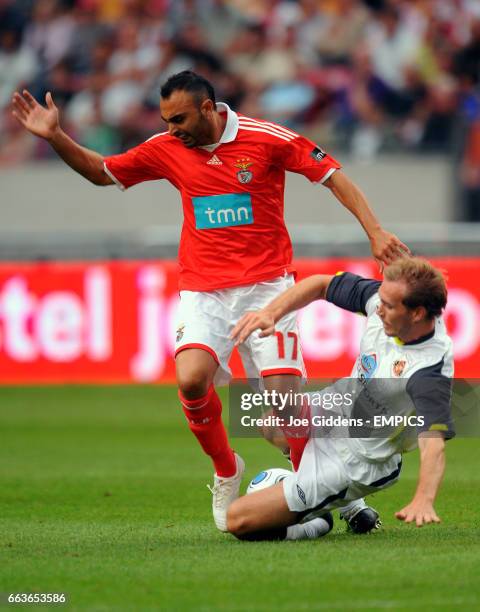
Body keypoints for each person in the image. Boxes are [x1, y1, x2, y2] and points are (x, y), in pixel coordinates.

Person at [11, 70, 409, 532]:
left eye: (178, 117)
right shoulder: (166, 149)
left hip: (267, 289)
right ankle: (226, 470)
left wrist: (375, 231)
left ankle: (333, 499)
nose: (170, 128)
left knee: (284, 410)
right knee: (192, 379)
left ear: (207, 108)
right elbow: (103, 173)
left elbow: (333, 175)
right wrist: (57, 136)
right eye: (164, 119)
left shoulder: (266, 138)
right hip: (204, 290)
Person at [228, 257, 454, 541]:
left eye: (389, 306)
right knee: (273, 422)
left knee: (239, 520)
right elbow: (321, 284)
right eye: (380, 299)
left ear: (418, 313)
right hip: (337, 411)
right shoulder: (381, 302)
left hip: (358, 459)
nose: (378, 309)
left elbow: (433, 443)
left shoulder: (427, 372)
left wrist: (424, 498)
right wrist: (271, 313)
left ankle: (318, 520)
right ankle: (349, 507)